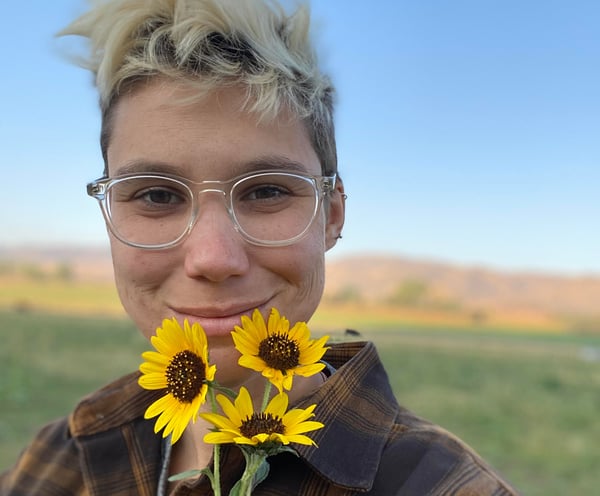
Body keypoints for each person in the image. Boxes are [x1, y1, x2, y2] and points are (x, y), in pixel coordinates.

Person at [1, 0, 519, 494]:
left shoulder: (447, 488)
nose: (213, 258)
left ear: (332, 214)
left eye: (266, 191)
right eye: (156, 195)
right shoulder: (58, 460)